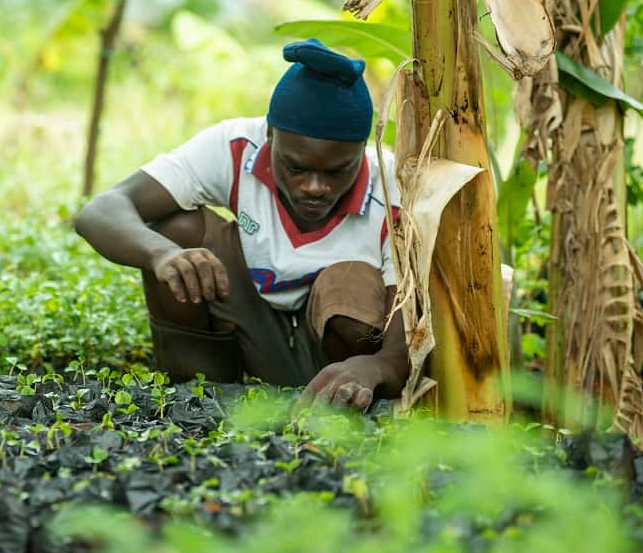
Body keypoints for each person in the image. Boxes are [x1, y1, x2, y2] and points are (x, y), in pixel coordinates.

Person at [74, 38, 407, 410]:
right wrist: (162, 254)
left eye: (336, 171)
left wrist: (375, 366)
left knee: (350, 281)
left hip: (337, 364)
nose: (314, 187)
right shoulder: (235, 147)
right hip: (253, 333)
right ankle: (198, 396)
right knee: (177, 232)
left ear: (361, 150)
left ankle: (341, 407)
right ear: (269, 136)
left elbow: (403, 341)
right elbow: (101, 210)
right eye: (296, 167)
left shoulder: (391, 188)